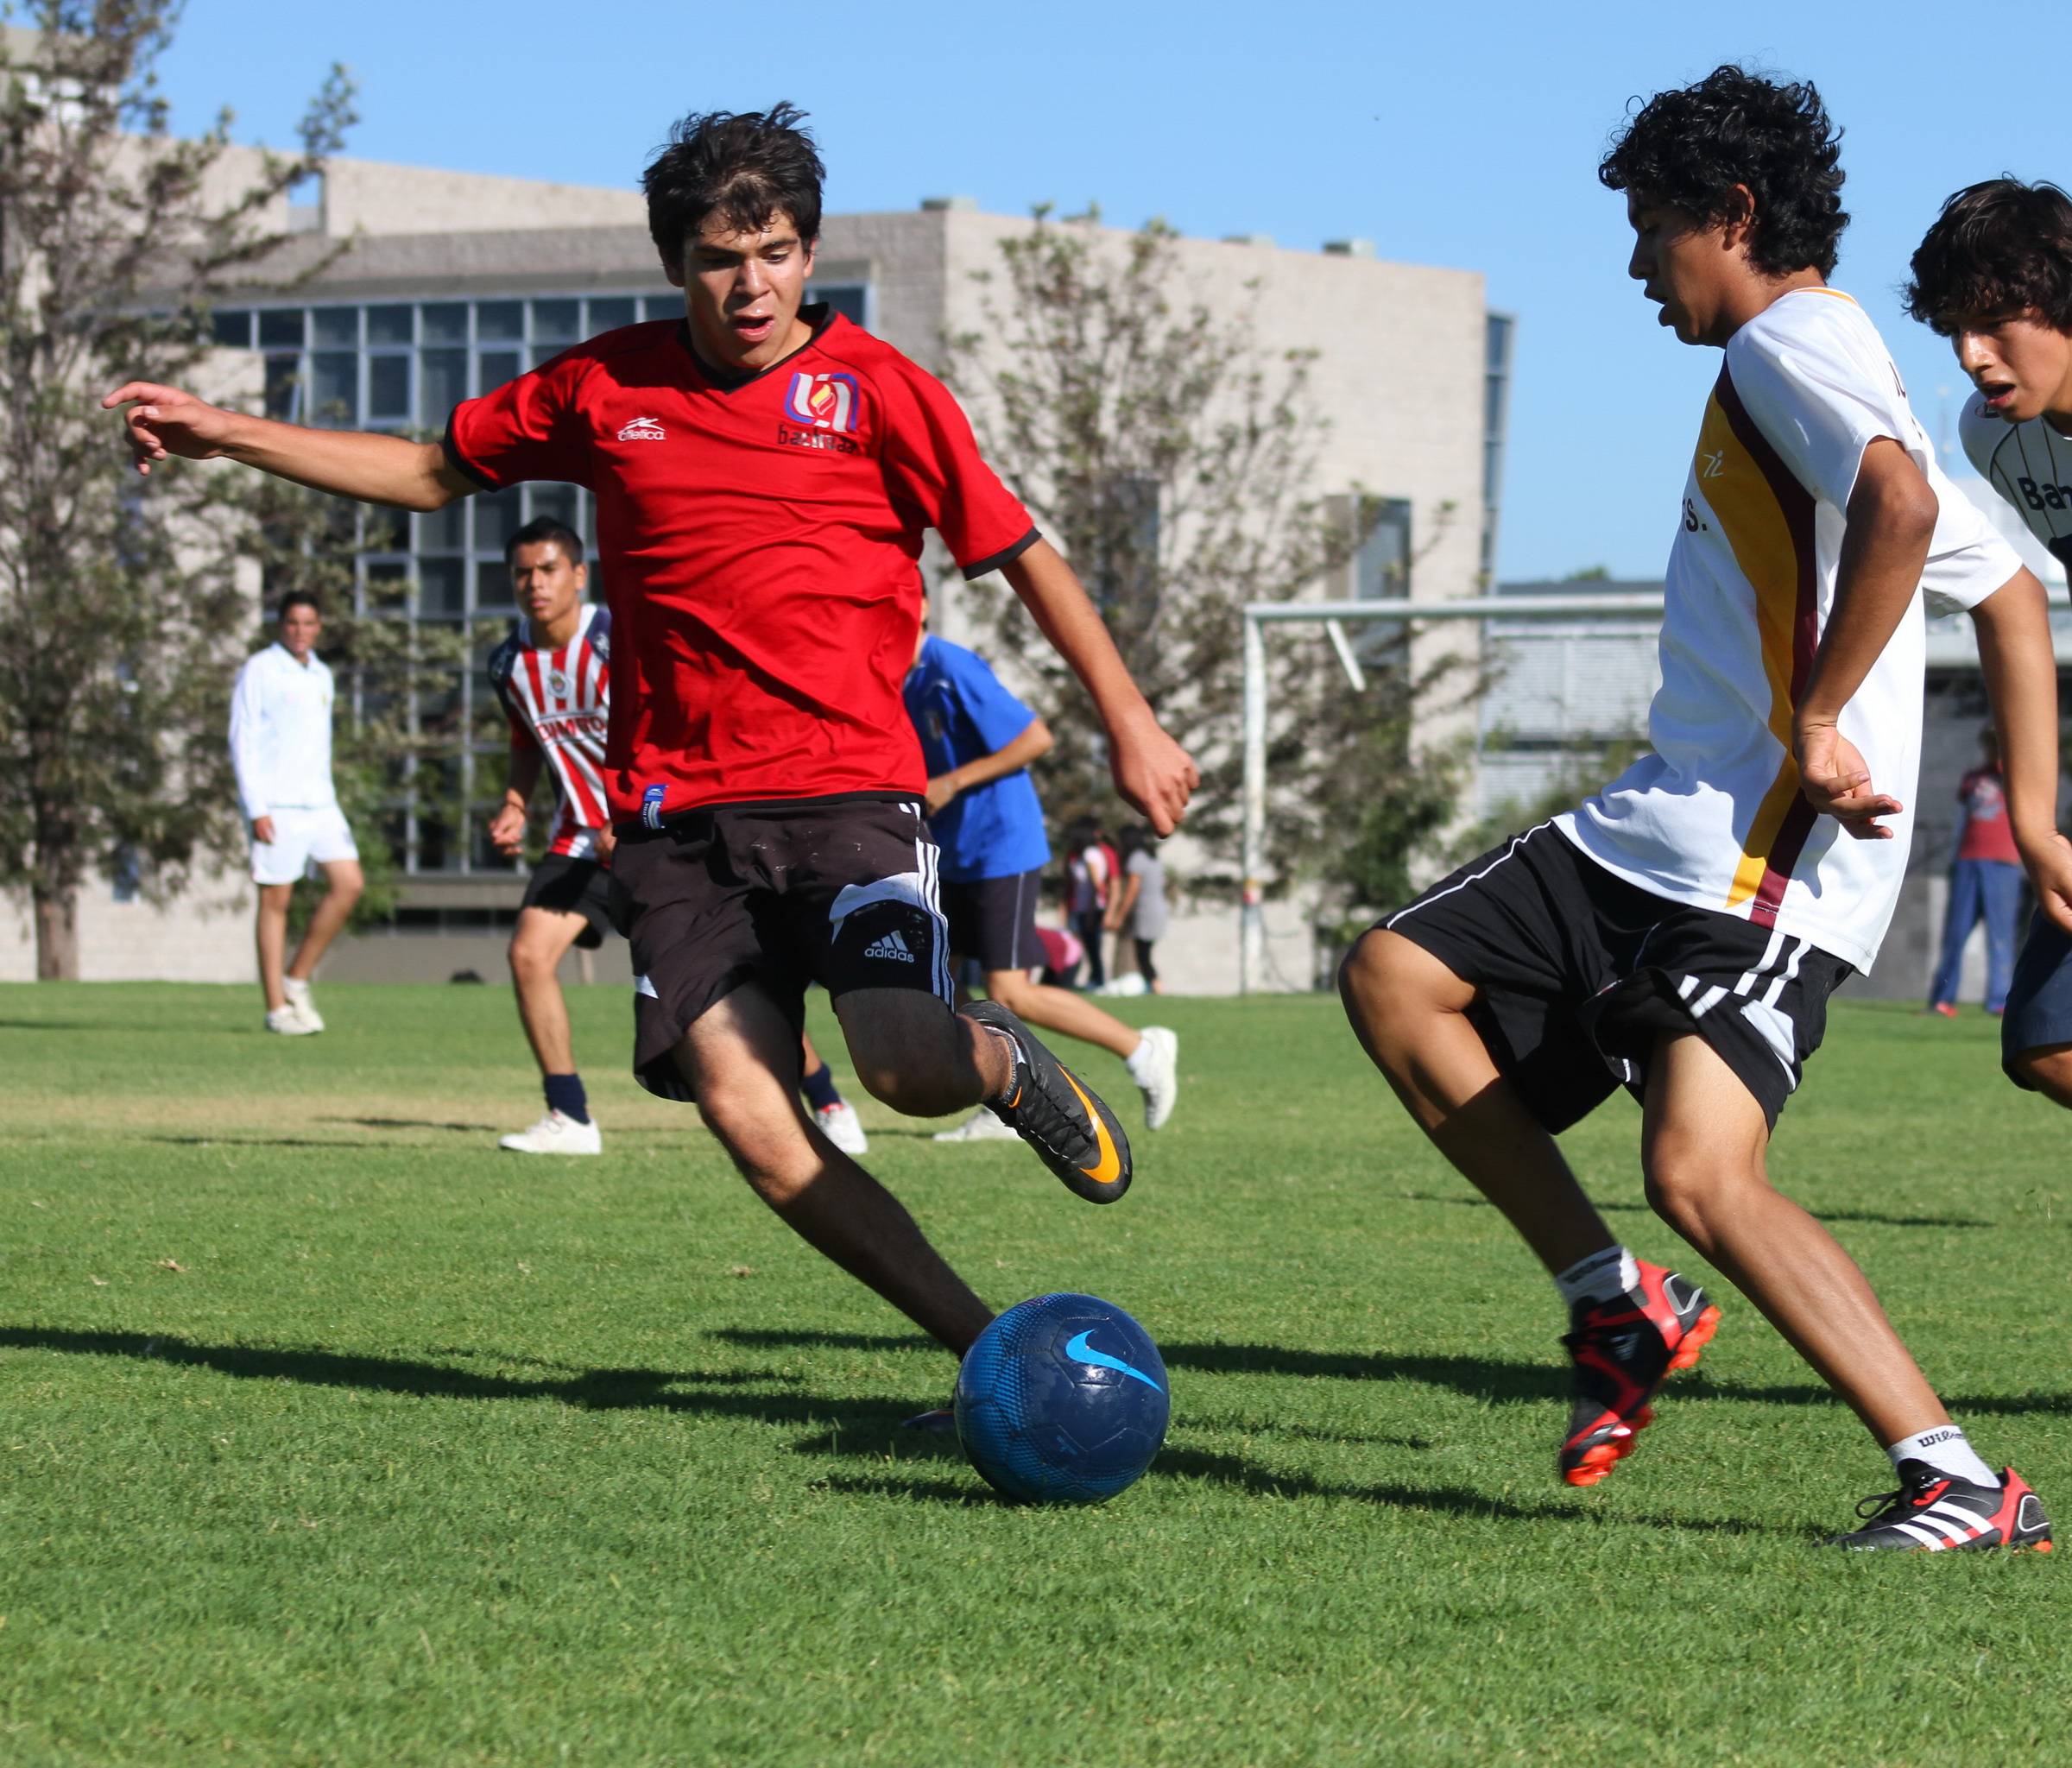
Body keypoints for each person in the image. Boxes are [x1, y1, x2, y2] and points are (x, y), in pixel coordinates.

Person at [109, 103, 1196, 1365]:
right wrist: (228, 433)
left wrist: (1132, 721)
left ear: (809, 253)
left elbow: (1024, 557)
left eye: (777, 250)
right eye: (722, 258)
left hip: (848, 797)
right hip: (678, 824)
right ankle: (989, 1351)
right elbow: (424, 471)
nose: (752, 283)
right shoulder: (602, 386)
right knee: (753, 1119)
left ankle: (1000, 1062)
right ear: (678, 261)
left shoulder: (884, 394)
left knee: (900, 1067)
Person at [1338, 67, 2068, 1551]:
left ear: (1732, 217)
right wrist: (2043, 812)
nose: (1633, 264)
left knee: (1697, 1169)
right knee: (1397, 973)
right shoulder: (1823, 355)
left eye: (1651, 227)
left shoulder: (1789, 349)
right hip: (1660, 824)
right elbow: (1999, 581)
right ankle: (1617, 1307)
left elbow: (1909, 515)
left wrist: (1815, 716)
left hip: (1761, 856)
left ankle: (1961, 1481)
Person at [1905, 178, 2072, 1102]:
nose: (1971, 356)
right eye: (1953, 331)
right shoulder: (1994, 439)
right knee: (2049, 1040)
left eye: (1993, 322)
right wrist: (2036, 823)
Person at [902, 612, 1178, 1143]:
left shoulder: (951, 666)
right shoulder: (904, 677)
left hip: (1000, 845)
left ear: (915, 607)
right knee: (943, 985)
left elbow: (1035, 738)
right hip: (954, 850)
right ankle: (1001, 1097)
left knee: (1011, 992)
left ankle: (1142, 1047)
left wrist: (952, 782)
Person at [484, 515, 616, 1154]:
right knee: (528, 955)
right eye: (522, 573)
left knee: (717, 980)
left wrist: (633, 809)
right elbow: (526, 739)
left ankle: (826, 1100)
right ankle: (570, 1118)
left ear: (578, 575)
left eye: (547, 570)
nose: (533, 583)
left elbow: (672, 726)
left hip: (658, 830)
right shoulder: (508, 662)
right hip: (579, 837)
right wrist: (515, 801)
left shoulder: (618, 639)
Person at [229, 589, 363, 1035]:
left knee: (348, 885)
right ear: (279, 625)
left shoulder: (321, 674)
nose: (300, 631)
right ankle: (276, 1009)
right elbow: (242, 738)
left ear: (318, 626)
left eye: (308, 624)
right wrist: (256, 807)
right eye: (292, 623)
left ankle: (297, 978)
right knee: (276, 902)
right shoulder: (261, 669)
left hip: (321, 802)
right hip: (277, 805)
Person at [1925, 729, 2023, 1019]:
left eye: (1997, 743)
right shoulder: (1972, 778)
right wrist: (1954, 859)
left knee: (2000, 936)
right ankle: (1943, 999)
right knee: (1955, 933)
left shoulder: (2017, 776)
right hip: (1968, 861)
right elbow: (1961, 821)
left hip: (2003, 864)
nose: (1992, 749)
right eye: (1989, 744)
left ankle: (1999, 1001)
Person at [1108, 826, 1169, 994]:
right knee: (1145, 952)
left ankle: (1156, 987)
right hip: (1158, 908)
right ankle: (1152, 986)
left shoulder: (1136, 858)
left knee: (1143, 953)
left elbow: (1133, 890)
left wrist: (1120, 915)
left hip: (1146, 911)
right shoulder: (1151, 856)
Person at [1064, 818, 1112, 988]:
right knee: (1089, 946)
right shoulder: (1082, 855)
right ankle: (1094, 979)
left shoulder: (1090, 854)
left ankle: (1098, 980)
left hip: (1091, 908)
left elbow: (1096, 885)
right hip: (1084, 908)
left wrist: (1091, 912)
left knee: (1093, 947)